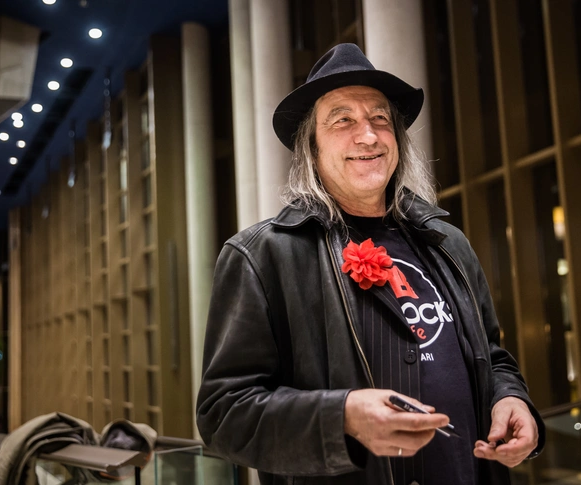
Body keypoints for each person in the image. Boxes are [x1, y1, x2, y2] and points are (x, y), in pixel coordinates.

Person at [196, 43, 545, 485]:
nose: (368, 136)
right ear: (312, 147)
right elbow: (223, 415)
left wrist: (510, 398)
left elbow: (492, 357)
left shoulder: (448, 243)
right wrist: (340, 417)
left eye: (380, 119)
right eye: (342, 120)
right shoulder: (261, 257)